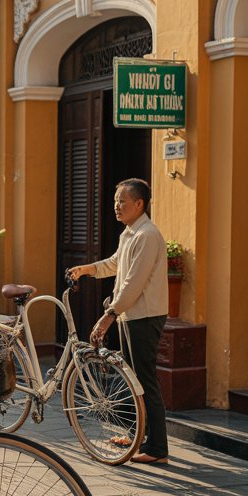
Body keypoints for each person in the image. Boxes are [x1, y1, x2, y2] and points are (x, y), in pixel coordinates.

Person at [68, 177, 169, 465]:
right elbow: (115, 264)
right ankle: (138, 436)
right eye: (115, 201)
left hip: (144, 316)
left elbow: (133, 284)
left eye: (122, 201)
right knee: (133, 378)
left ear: (139, 203)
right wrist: (87, 269)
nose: (117, 206)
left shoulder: (147, 235)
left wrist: (108, 315)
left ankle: (158, 448)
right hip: (131, 314)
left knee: (145, 379)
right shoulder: (131, 234)